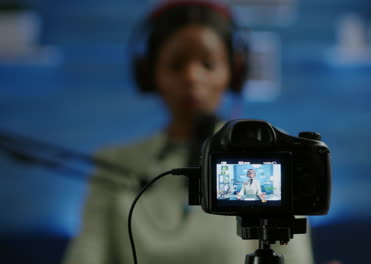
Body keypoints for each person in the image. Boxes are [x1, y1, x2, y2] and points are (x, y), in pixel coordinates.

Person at [62, 1, 314, 264]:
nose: (192, 77)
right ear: (149, 74)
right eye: (176, 65)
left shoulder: (273, 155)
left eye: (208, 63)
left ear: (233, 72)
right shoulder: (112, 164)